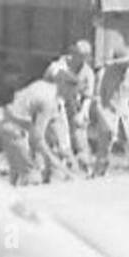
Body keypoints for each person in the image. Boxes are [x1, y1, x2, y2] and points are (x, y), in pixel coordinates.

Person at [0, 67, 75, 186]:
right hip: (16, 132)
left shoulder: (41, 85)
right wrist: (61, 167)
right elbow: (38, 139)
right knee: (33, 178)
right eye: (72, 92)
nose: (72, 96)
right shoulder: (49, 101)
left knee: (16, 174)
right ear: (64, 85)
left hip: (6, 126)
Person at [90, 45, 129, 176]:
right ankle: (99, 173)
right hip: (108, 113)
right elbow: (97, 100)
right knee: (104, 148)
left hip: (125, 114)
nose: (128, 64)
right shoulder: (103, 74)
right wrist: (104, 120)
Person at [46, 40, 95, 171]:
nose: (82, 59)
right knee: (61, 138)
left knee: (80, 136)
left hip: (75, 105)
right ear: (73, 53)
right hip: (57, 102)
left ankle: (86, 167)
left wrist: (83, 112)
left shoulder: (88, 72)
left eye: (85, 56)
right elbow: (53, 76)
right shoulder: (59, 65)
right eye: (79, 55)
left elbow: (88, 96)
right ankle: (59, 164)